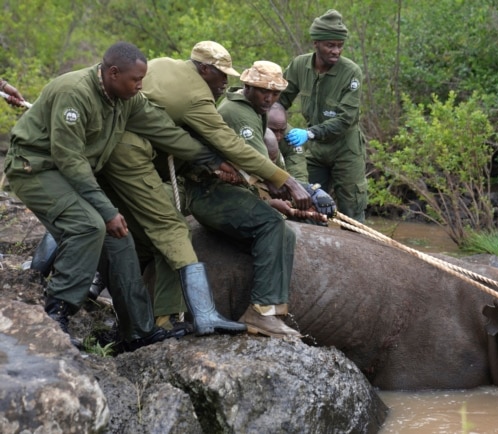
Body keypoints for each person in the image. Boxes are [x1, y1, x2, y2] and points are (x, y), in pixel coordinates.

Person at [103, 42, 312, 338]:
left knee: (173, 231)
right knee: (173, 231)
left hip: (187, 176)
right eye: (222, 75)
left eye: (274, 93)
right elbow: (233, 146)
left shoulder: (163, 63)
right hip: (176, 178)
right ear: (204, 70)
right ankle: (250, 312)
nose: (226, 82)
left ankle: (167, 317)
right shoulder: (204, 99)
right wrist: (286, 182)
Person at [3, 42, 202, 351]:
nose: (140, 86)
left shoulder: (125, 98)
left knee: (120, 240)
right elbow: (70, 160)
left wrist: (210, 158)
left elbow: (164, 129)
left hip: (70, 174)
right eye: (135, 80)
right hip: (35, 168)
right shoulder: (74, 92)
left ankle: (138, 331)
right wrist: (108, 210)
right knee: (88, 225)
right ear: (112, 73)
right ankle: (57, 313)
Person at [279, 9, 369, 223]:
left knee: (352, 209)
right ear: (316, 43)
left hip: (346, 149)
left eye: (340, 45)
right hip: (317, 151)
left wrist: (309, 133)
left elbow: (346, 118)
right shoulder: (300, 65)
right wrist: (276, 129)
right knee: (307, 201)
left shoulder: (351, 72)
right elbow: (280, 101)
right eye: (330, 45)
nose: (336, 51)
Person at [217, 60, 335, 221]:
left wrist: (303, 189)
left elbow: (293, 160)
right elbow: (257, 161)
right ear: (247, 86)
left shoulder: (258, 108)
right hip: (225, 183)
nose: (269, 99)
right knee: (274, 227)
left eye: (275, 93)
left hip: (254, 177)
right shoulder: (239, 114)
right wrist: (298, 187)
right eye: (264, 91)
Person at [267, 102, 308, 182]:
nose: (278, 137)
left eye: (282, 130)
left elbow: (298, 170)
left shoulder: (292, 137)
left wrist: (299, 186)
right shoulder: (251, 130)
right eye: (273, 131)